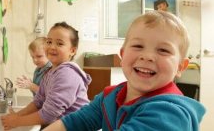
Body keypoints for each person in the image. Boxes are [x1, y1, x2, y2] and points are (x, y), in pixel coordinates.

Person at [43, 11, 206, 131]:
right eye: (138, 46)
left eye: (163, 50)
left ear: (180, 67)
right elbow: (75, 122)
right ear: (123, 55)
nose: (147, 56)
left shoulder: (170, 113)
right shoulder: (111, 96)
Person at [1, 22, 91, 130]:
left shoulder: (68, 74)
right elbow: (38, 102)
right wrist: (17, 115)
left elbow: (49, 114)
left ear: (72, 50)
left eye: (59, 43)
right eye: (49, 42)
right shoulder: (49, 73)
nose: (52, 46)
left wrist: (17, 121)